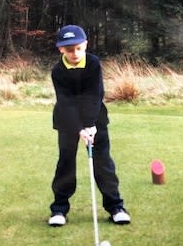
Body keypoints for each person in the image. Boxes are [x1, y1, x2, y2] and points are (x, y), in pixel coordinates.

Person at [48, 25, 130, 227]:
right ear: (61, 50)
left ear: (85, 45)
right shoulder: (58, 71)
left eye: (78, 48)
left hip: (96, 119)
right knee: (66, 163)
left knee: (103, 163)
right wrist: (79, 128)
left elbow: (95, 95)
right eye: (69, 50)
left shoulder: (93, 63)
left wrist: (90, 125)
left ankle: (116, 207)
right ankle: (59, 209)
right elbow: (65, 102)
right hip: (67, 121)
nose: (74, 53)